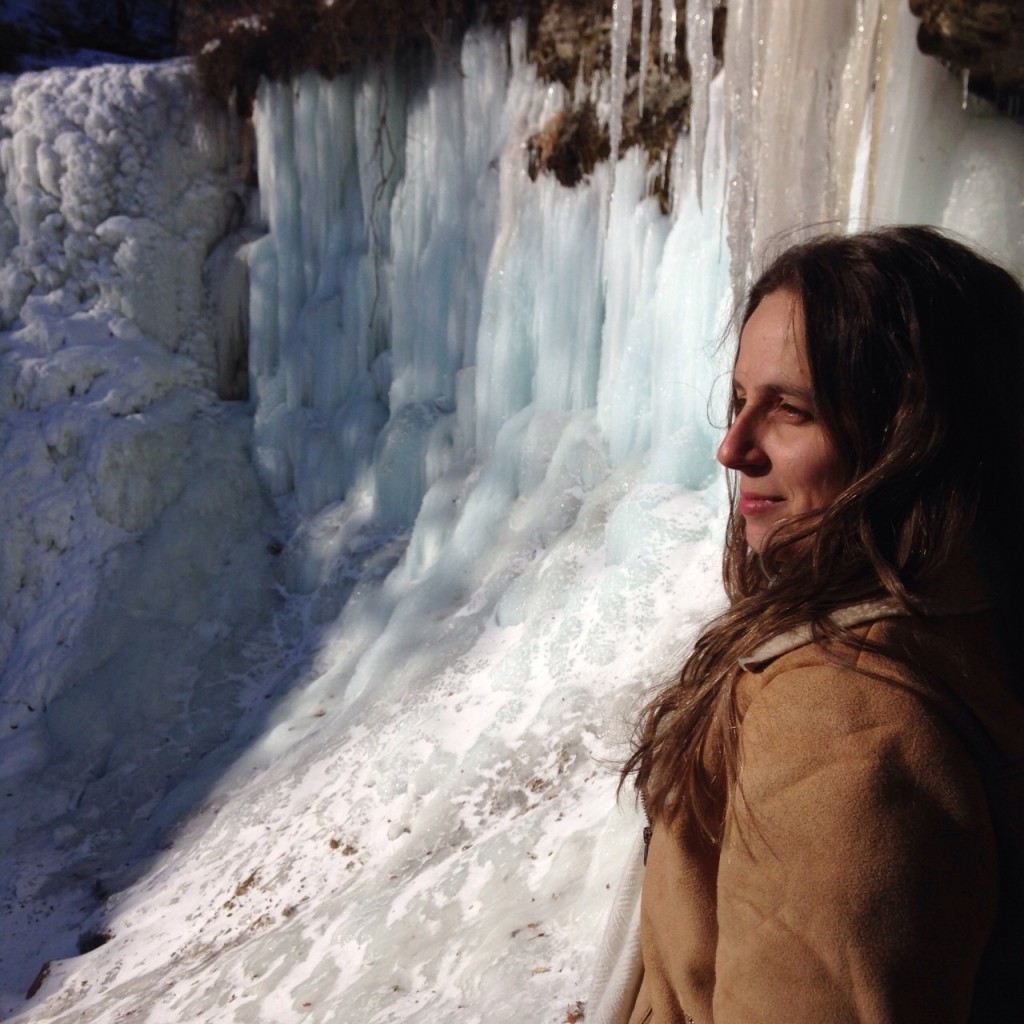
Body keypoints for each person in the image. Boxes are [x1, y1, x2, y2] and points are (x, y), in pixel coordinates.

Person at [593, 226, 1024, 1024]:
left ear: (911, 437)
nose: (731, 447)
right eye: (737, 400)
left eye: (789, 411)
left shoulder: (838, 722)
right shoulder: (969, 623)